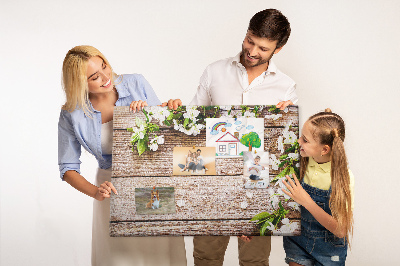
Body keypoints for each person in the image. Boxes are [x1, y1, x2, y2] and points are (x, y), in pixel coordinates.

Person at [167, 9, 297, 266]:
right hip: (212, 176)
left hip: (257, 178)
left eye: (262, 47)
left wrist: (282, 121)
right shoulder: (214, 71)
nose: (252, 51)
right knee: (206, 256)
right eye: (250, 40)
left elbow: (284, 148)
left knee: (255, 260)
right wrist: (175, 111)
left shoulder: (286, 86)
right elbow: (193, 126)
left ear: (277, 49)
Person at [58, 45, 186, 266]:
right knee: (121, 259)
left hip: (153, 183)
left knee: (161, 255)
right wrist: (96, 192)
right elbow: (68, 167)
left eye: (104, 66)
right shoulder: (72, 113)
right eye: (94, 77)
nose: (106, 77)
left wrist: (166, 110)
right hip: (112, 191)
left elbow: (165, 139)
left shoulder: (135, 83)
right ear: (79, 84)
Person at [281, 109, 354, 265]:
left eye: (305, 140)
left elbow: (340, 230)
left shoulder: (342, 177)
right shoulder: (302, 160)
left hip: (330, 250)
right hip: (298, 242)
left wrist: (306, 201)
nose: (299, 141)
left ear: (324, 149)